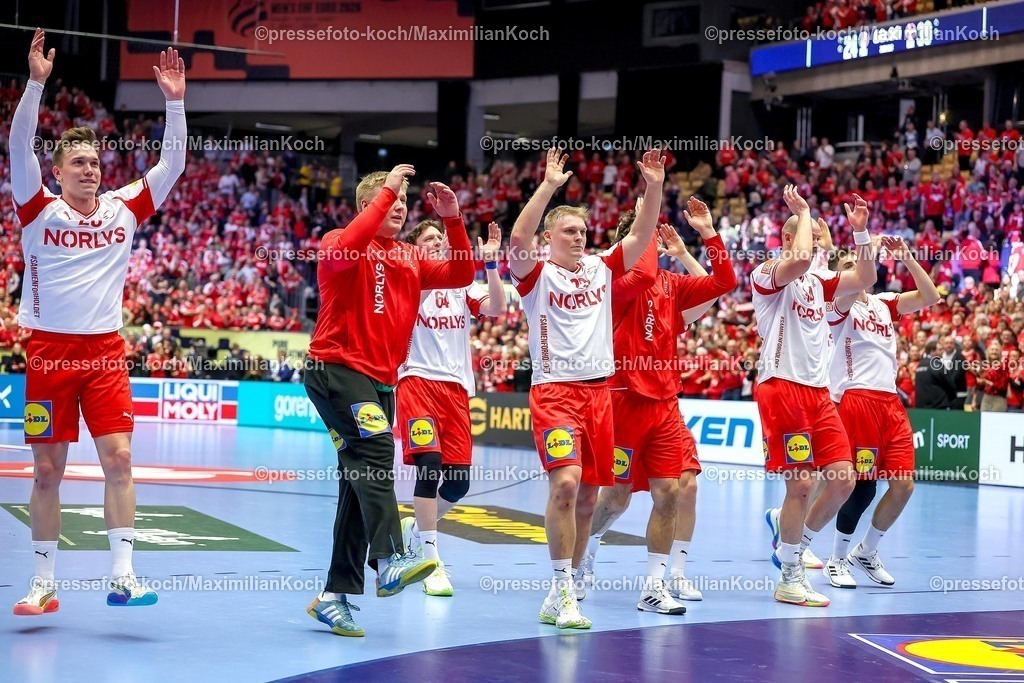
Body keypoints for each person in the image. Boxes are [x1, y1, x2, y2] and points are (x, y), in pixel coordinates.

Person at [11, 32, 186, 616]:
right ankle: (43, 584)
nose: (90, 169)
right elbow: (17, 144)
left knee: (119, 460)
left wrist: (175, 103)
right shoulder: (37, 208)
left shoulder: (123, 207)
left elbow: (172, 164)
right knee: (46, 471)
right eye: (78, 162)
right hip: (49, 354)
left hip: (105, 353)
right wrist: (35, 84)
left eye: (94, 162)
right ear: (57, 170)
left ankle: (123, 576)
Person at [303, 167, 474, 637]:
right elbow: (347, 246)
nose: (399, 207)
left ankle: (333, 596)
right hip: (335, 370)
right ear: (368, 205)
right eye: (391, 200)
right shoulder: (339, 242)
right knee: (378, 449)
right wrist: (387, 189)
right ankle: (390, 557)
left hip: (380, 383)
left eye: (403, 202)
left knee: (357, 485)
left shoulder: (410, 257)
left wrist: (453, 219)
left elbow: (462, 273)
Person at [508, 148, 664, 629]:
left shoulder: (600, 267)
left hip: (600, 396)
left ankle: (566, 588)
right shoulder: (535, 275)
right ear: (549, 238)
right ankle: (560, 590)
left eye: (582, 231)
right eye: (568, 231)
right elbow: (517, 238)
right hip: (555, 393)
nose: (578, 237)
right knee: (566, 484)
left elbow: (641, 236)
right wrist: (549, 186)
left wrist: (654, 185)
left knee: (590, 499)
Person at [578, 198, 736, 614]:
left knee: (672, 492)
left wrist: (707, 234)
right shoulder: (608, 280)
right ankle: (586, 547)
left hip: (664, 404)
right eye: (644, 234)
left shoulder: (670, 284)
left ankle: (655, 584)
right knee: (616, 498)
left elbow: (724, 282)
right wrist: (649, 206)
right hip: (621, 401)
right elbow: (643, 270)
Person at [755, 188, 877, 607]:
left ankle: (793, 545)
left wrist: (860, 233)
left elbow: (866, 278)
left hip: (818, 392)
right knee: (802, 483)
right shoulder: (767, 273)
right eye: (803, 235)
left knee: (843, 480)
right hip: (781, 386)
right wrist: (804, 212)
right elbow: (802, 259)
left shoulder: (820, 283)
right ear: (789, 239)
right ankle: (790, 577)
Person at [822, 236, 940, 589]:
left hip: (890, 402)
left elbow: (930, 296)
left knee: (904, 485)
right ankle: (836, 559)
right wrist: (865, 244)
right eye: (847, 267)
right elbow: (860, 276)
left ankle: (866, 551)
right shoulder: (837, 305)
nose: (855, 271)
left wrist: (907, 258)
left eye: (855, 265)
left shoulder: (884, 302)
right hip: (857, 399)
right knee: (861, 488)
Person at [397, 220, 507, 596]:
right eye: (428, 239)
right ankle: (430, 560)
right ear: (414, 247)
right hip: (417, 381)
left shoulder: (462, 285)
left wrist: (489, 264)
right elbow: (413, 301)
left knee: (459, 483)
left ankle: (416, 529)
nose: (437, 242)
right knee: (429, 466)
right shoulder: (408, 276)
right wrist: (434, 266)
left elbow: (497, 307)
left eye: (439, 238)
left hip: (457, 389)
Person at [915, 341, 958, 409]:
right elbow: (949, 384)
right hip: (938, 405)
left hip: (922, 405)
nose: (942, 352)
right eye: (940, 349)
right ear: (932, 351)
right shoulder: (937, 365)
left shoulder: (920, 364)